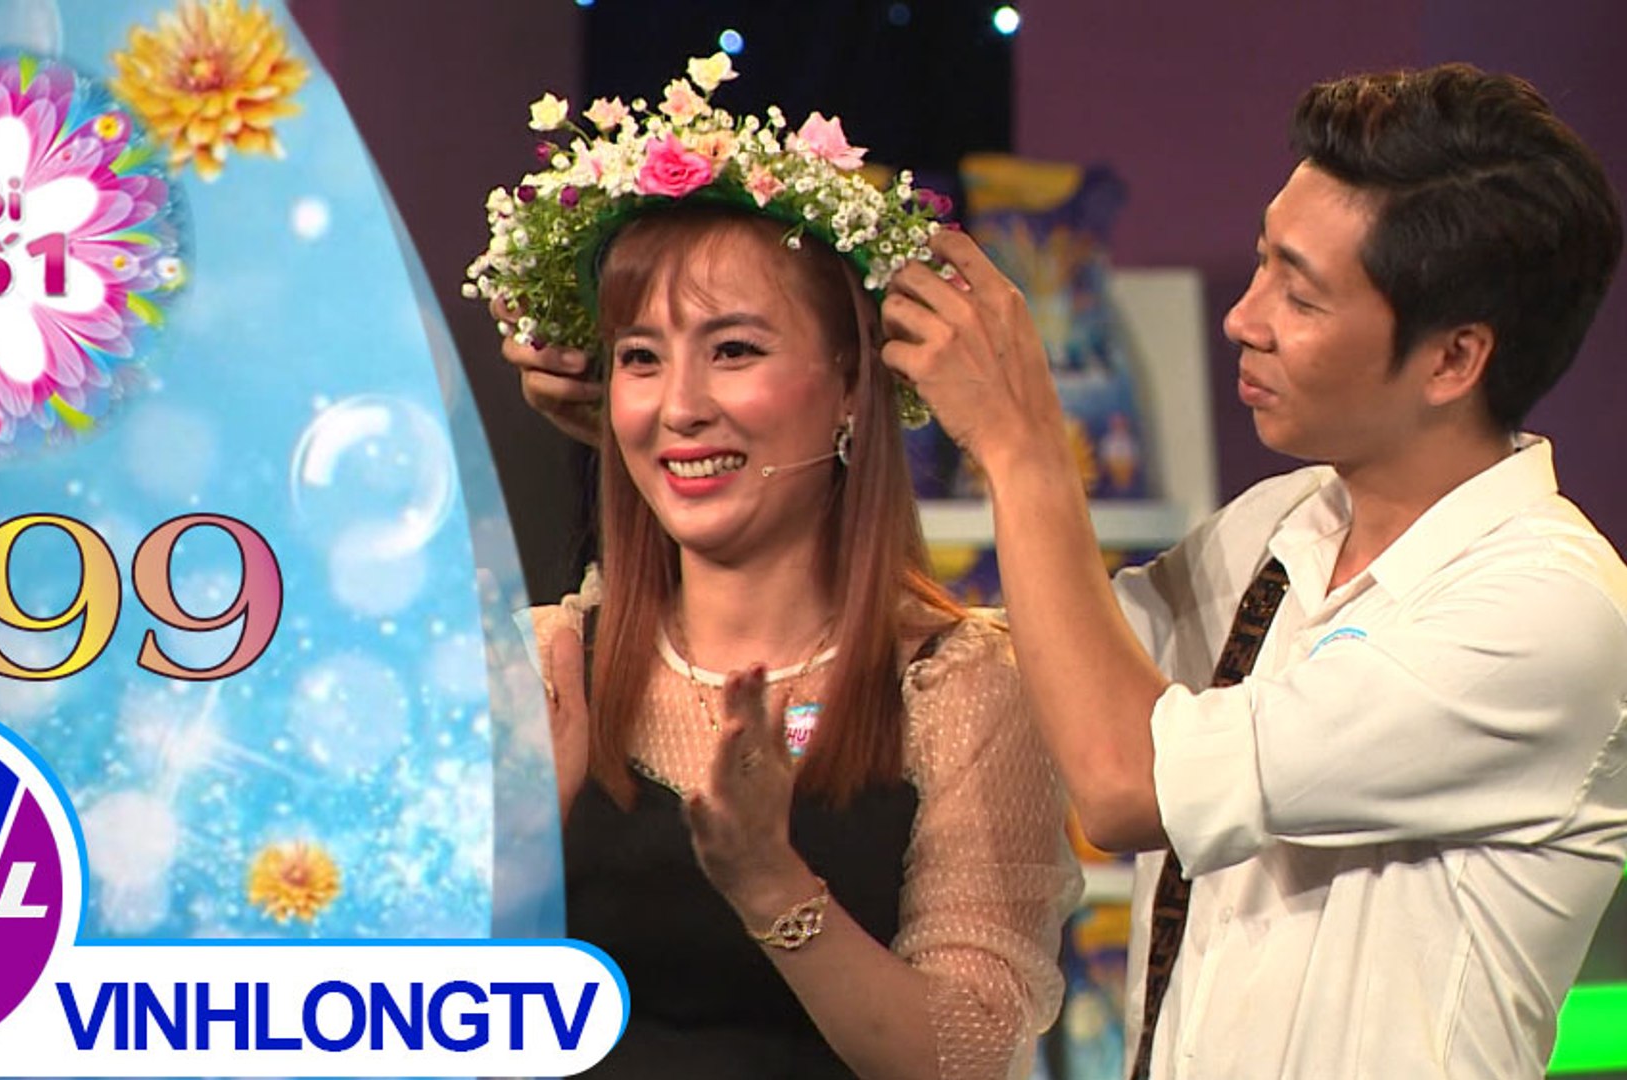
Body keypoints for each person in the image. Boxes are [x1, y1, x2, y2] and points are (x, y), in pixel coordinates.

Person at [875, 63, 1627, 1078]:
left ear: (1452, 361)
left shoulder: (1545, 608)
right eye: (1262, 262)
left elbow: (1125, 781)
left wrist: (1023, 446)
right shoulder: (1280, 525)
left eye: (1300, 295)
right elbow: (1024, 674)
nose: (1244, 316)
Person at [471, 57, 1080, 1079]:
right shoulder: (539, 669)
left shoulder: (960, 688)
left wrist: (769, 884)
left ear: (849, 385)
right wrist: (517, 857)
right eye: (641, 357)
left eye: (735, 351)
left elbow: (971, 1051)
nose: (679, 407)